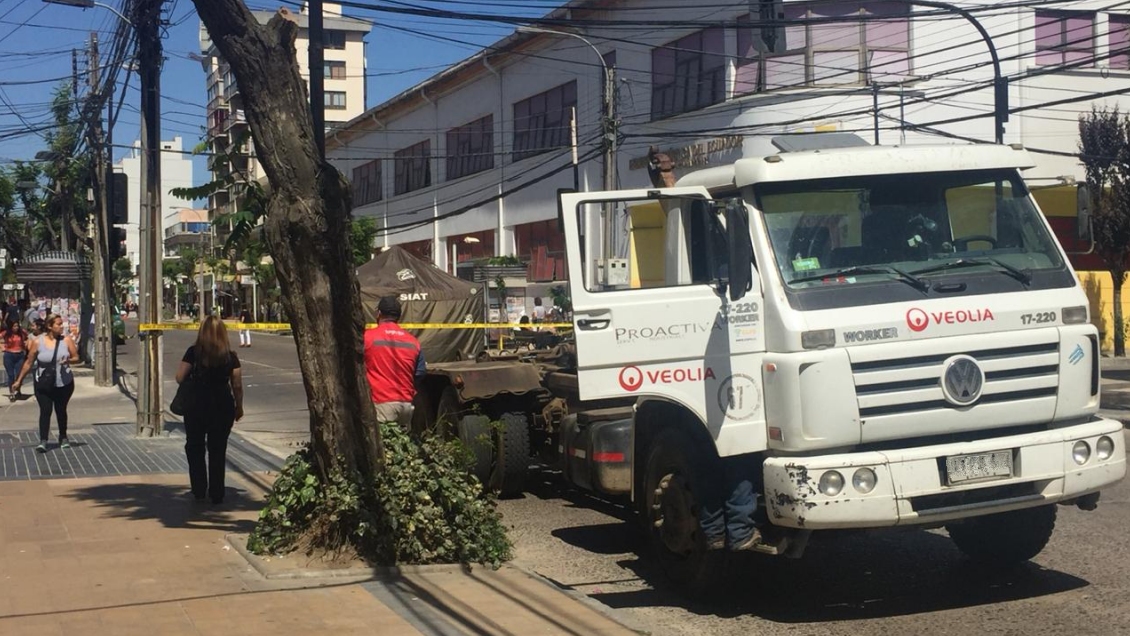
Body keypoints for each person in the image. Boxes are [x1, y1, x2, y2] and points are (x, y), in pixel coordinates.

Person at [176, 315, 244, 504]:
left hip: (196, 405)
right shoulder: (231, 357)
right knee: (217, 449)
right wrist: (239, 407)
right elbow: (237, 385)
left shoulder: (193, 353)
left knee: (194, 446)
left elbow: (179, 377)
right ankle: (217, 492)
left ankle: (198, 489)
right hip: (222, 405)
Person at [12, 314, 79, 453]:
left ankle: (63, 437)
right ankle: (43, 440)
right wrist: (19, 381)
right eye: (58, 324)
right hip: (43, 382)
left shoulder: (66, 340)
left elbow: (76, 357)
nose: (62, 326)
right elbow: (29, 362)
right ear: (49, 326)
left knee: (61, 410)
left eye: (62, 324)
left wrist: (68, 361)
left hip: (63, 383)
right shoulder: (38, 342)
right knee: (45, 410)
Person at [364, 296, 425, 426]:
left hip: (380, 403)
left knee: (382, 444)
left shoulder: (367, 337)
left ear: (379, 314)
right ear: (399, 317)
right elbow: (419, 373)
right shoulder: (413, 341)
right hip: (406, 405)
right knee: (402, 443)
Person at [1, 317, 28, 401]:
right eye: (14, 326)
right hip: (9, 355)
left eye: (17, 326)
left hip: (19, 355)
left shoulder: (22, 332)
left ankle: (18, 390)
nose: (16, 328)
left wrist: (26, 345)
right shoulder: (6, 333)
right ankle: (11, 392)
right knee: (11, 375)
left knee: (19, 374)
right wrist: (2, 347)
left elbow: (28, 338)